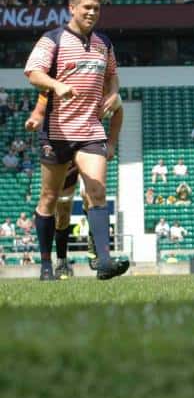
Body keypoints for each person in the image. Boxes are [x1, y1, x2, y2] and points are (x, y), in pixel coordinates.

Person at [23, 0, 128, 280]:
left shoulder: (104, 43)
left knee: (97, 191)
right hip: (57, 133)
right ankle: (47, 265)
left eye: (97, 8)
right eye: (87, 7)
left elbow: (113, 77)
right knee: (49, 198)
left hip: (91, 130)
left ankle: (104, 262)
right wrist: (56, 85)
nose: (92, 12)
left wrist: (113, 93)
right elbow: (33, 72)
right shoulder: (52, 39)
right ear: (72, 8)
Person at [25, 87, 124, 278]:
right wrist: (37, 115)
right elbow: (40, 94)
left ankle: (97, 253)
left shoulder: (96, 87)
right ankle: (61, 261)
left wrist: (111, 143)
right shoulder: (55, 88)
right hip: (62, 148)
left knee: (93, 195)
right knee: (62, 211)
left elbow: (118, 107)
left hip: (90, 145)